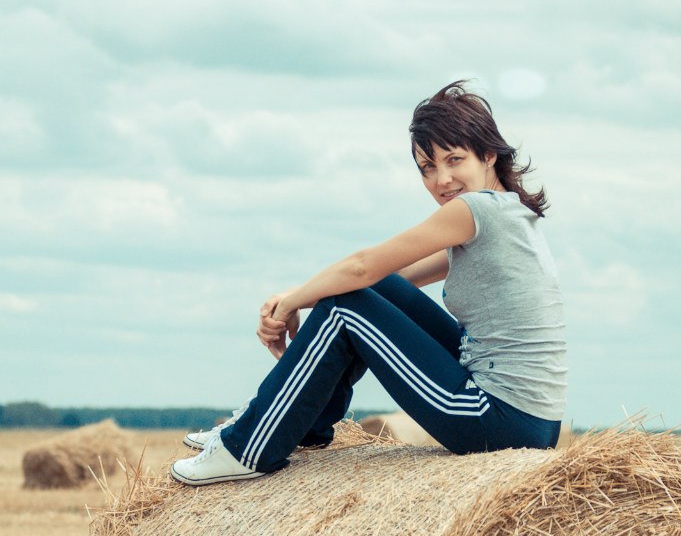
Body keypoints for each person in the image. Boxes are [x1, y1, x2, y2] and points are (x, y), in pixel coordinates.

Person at [171, 80, 567, 486]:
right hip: (533, 423)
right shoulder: (510, 214)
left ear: (487, 155)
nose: (441, 179)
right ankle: (301, 421)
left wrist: (291, 302)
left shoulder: (474, 209)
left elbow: (362, 266)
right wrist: (305, 298)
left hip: (500, 421)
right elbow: (383, 279)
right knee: (371, 292)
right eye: (428, 167)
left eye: (454, 160)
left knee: (347, 307)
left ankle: (248, 445)